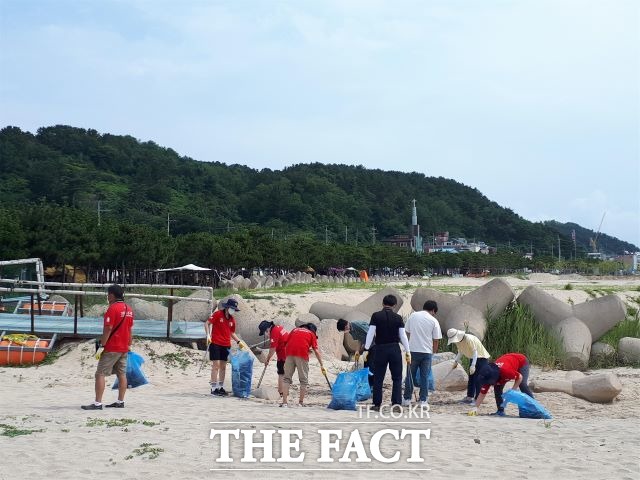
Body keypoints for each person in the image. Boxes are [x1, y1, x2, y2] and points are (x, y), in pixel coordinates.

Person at [82, 284, 134, 410]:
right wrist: (129, 343)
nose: (107, 297)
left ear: (111, 295)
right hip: (124, 347)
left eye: (108, 294)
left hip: (112, 346)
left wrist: (102, 345)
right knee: (122, 374)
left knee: (100, 374)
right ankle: (120, 401)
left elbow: (108, 328)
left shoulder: (112, 309)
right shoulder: (129, 309)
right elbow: (130, 328)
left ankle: (98, 403)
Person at [363, 294, 411, 410]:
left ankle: (377, 404)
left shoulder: (376, 316)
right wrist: (408, 351)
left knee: (378, 377)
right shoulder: (398, 318)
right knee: (397, 378)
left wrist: (366, 349)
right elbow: (403, 336)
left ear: (383, 304)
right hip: (395, 348)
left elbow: (371, 333)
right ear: (394, 305)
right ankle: (396, 404)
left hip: (380, 349)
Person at [402, 300, 442, 407]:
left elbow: (407, 332)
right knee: (424, 376)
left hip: (413, 351)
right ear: (433, 310)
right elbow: (436, 340)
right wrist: (434, 352)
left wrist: (408, 347)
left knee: (410, 375)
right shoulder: (433, 320)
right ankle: (423, 400)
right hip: (426, 353)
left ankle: (407, 399)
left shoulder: (413, 316)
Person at [469, 352, 534, 416]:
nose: (490, 384)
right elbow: (482, 394)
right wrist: (475, 407)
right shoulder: (488, 374)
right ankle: (500, 411)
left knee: (522, 385)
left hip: (521, 361)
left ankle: (533, 407)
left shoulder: (506, 372)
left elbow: (520, 377)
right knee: (497, 388)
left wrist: (513, 390)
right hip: (507, 361)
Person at [205, 298, 247, 396]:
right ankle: (213, 388)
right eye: (232, 308)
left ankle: (220, 387)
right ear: (227, 307)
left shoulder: (232, 320)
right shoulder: (218, 314)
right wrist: (207, 335)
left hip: (226, 344)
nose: (233, 310)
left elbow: (231, 332)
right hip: (215, 343)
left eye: (234, 309)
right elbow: (207, 323)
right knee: (216, 366)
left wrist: (238, 341)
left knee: (223, 367)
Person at [281, 323, 326, 407]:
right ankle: (300, 403)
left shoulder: (294, 330)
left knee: (287, 379)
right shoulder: (311, 334)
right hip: (302, 355)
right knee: (303, 380)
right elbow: (316, 351)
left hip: (289, 353)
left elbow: (287, 343)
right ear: (313, 330)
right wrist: (321, 364)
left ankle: (284, 403)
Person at [447, 328, 491, 404]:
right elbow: (460, 351)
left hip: (481, 358)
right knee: (471, 378)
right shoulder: (458, 342)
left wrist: (473, 365)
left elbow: (475, 352)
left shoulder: (469, 338)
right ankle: (469, 397)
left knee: (478, 379)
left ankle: (478, 399)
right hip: (473, 358)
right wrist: (456, 361)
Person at [336, 318, 374, 386]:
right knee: (366, 365)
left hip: (374, 345)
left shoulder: (357, 325)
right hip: (367, 347)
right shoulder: (351, 330)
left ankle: (373, 385)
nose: (344, 331)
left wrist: (365, 347)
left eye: (343, 330)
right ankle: (368, 383)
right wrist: (357, 351)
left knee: (371, 365)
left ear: (346, 326)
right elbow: (359, 340)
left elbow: (371, 334)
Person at [258, 320, 289, 396]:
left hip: (283, 354)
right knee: (285, 373)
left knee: (281, 373)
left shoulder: (274, 332)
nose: (266, 334)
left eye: (265, 332)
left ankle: (281, 392)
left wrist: (267, 359)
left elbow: (272, 349)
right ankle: (285, 391)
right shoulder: (278, 327)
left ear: (267, 329)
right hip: (288, 351)